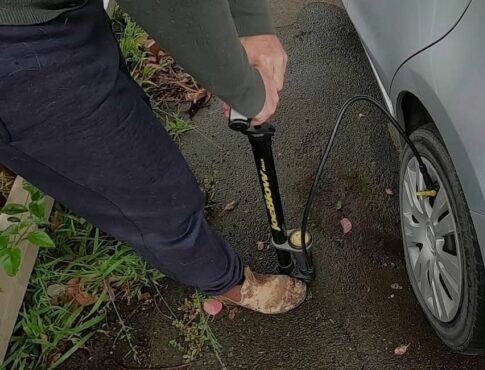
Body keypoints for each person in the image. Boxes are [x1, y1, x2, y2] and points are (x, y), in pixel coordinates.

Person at [0, 0, 307, 313]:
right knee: (149, 196)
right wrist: (245, 90)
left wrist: (250, 26)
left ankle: (182, 212)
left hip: (51, 13)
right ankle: (227, 282)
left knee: (127, 121)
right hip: (13, 57)